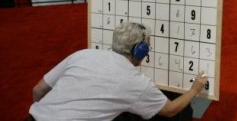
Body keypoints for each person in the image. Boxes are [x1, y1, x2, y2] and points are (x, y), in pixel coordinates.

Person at [26, 21, 208, 121]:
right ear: (139, 50)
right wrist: (194, 89)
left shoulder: (82, 55)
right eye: (147, 47)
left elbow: (38, 90)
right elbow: (170, 110)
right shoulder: (133, 81)